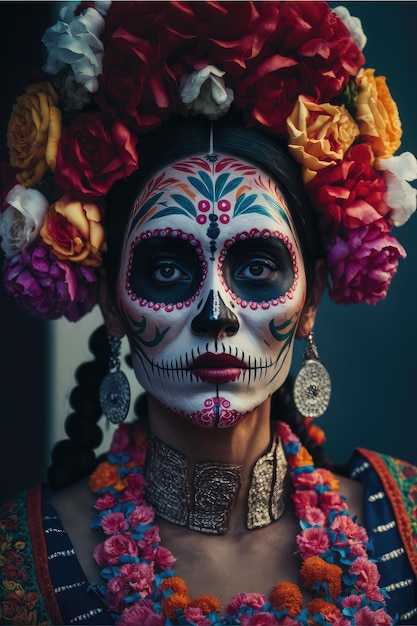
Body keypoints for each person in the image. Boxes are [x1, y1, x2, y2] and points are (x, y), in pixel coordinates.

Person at [0, 2, 416, 625]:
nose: (215, 314)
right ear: (113, 305)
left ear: (312, 300)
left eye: (256, 266)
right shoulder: (20, 566)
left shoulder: (406, 526)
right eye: (167, 270)